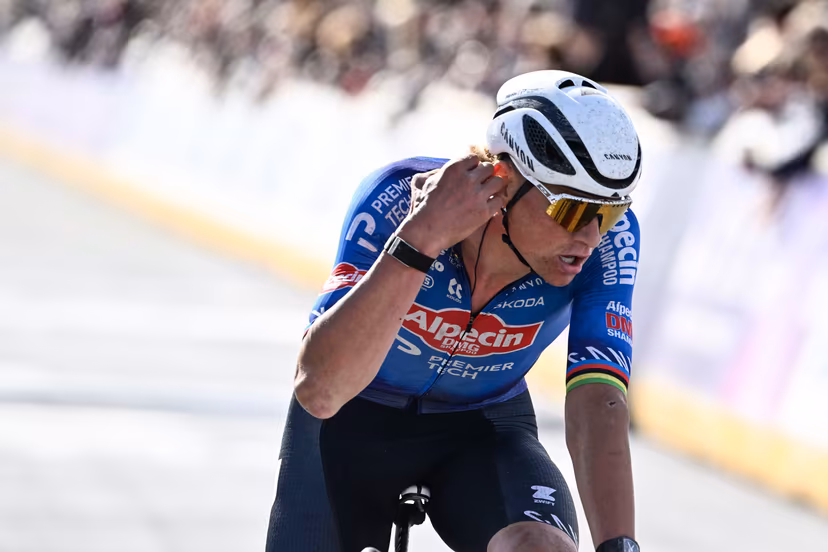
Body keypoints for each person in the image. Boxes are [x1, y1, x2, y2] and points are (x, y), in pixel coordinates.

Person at [266, 70, 643, 552]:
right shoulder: (400, 197)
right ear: (504, 182)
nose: (589, 237)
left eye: (607, 212)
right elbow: (320, 390)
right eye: (569, 211)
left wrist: (619, 547)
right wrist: (419, 241)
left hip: (481, 428)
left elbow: (599, 403)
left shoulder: (608, 246)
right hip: (350, 418)